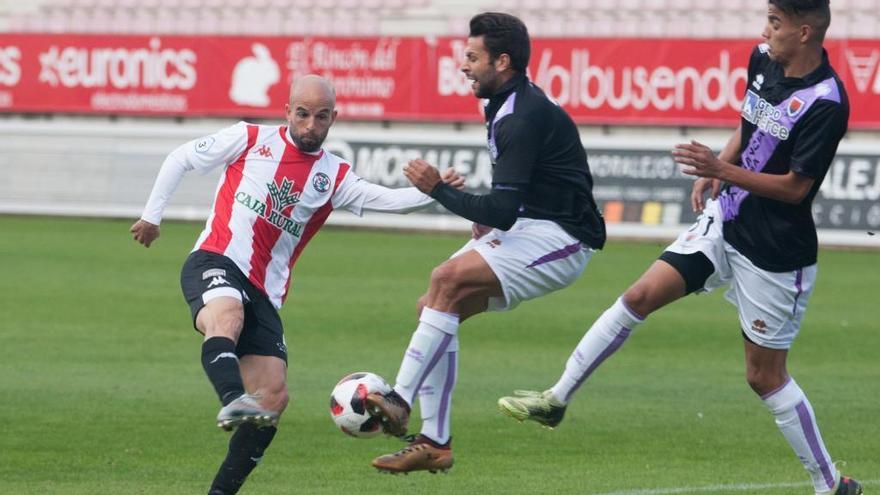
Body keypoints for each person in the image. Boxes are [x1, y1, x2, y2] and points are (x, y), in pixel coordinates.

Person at [497, 1, 862, 493]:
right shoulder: (763, 60)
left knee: (764, 376)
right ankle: (556, 399)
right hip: (725, 221)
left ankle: (829, 484)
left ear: (803, 32)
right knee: (638, 297)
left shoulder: (826, 101)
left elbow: (797, 188)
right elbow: (748, 125)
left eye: (774, 23)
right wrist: (722, 171)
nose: (764, 31)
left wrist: (719, 170)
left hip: (774, 253)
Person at [129, 75, 463, 495]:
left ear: (333, 119)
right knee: (226, 316)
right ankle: (232, 397)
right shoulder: (249, 139)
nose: (309, 125)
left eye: (320, 117)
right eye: (302, 114)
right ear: (287, 111)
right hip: (216, 259)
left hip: (264, 292)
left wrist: (436, 191)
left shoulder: (333, 176)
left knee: (273, 398)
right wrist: (152, 216)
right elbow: (181, 157)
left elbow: (389, 200)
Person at [365, 12, 606, 474]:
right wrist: (489, 218)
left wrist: (438, 189)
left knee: (445, 278)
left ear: (502, 60)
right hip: (531, 225)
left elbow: (502, 210)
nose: (464, 65)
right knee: (434, 307)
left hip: (566, 239)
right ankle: (435, 444)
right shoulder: (506, 103)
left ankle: (399, 398)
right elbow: (509, 203)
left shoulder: (519, 115)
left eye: (472, 57)